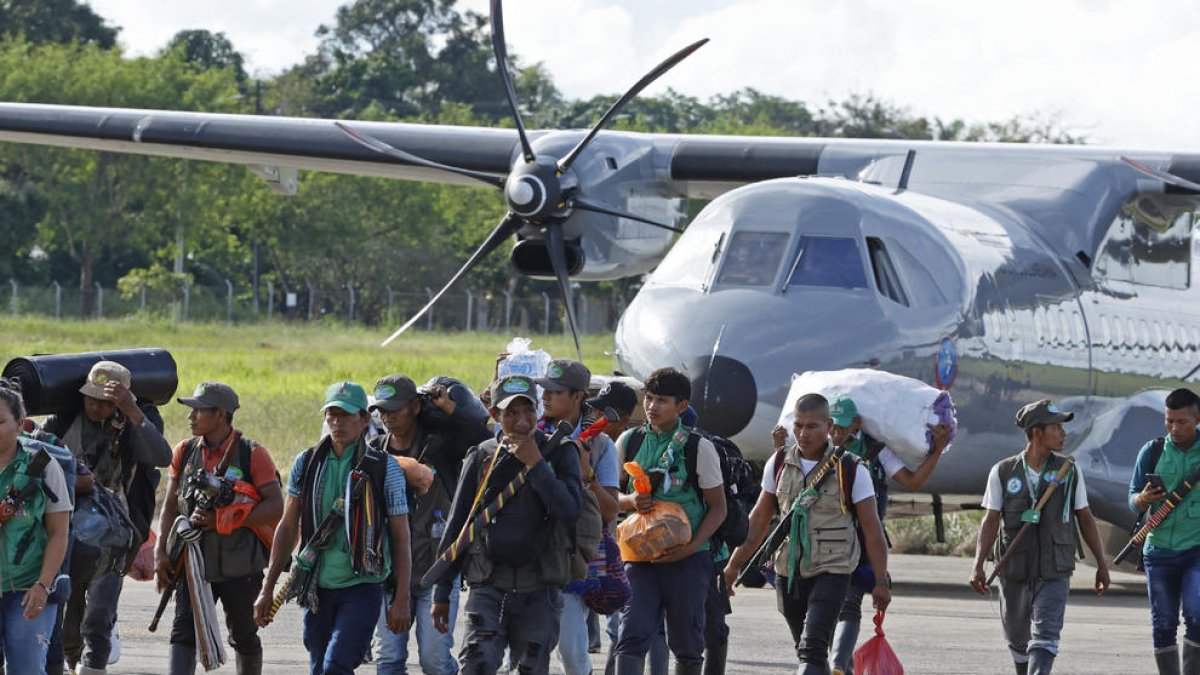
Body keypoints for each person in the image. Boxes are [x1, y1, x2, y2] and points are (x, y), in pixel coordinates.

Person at [723, 393, 890, 675]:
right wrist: (733, 566)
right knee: (808, 652)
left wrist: (881, 579)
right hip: (789, 572)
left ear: (829, 427)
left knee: (812, 648)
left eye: (812, 426)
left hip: (834, 569)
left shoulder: (851, 469)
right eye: (798, 425)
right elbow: (758, 522)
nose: (803, 433)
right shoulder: (778, 464)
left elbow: (873, 530)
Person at [253, 382, 413, 675]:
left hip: (362, 585)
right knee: (318, 666)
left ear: (365, 420)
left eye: (345, 415)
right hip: (317, 587)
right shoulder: (308, 461)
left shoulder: (384, 468)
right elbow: (288, 527)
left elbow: (401, 537)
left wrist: (402, 597)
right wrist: (267, 589)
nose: (337, 423)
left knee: (335, 665)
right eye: (331, 415)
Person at [431, 374, 583, 675]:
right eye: (511, 413)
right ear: (494, 415)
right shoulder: (481, 456)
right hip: (488, 583)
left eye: (528, 410)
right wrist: (441, 592)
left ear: (538, 410)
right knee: (477, 663)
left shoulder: (561, 451)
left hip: (540, 587)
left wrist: (537, 465)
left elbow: (570, 510)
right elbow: (459, 523)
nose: (522, 420)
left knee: (530, 667)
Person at [44, 360, 171, 675]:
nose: (96, 407)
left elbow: (161, 456)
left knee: (99, 614)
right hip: (67, 530)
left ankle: (94, 665)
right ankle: (74, 660)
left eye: (105, 402)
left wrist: (132, 411)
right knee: (69, 616)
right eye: (91, 399)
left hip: (116, 534)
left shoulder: (135, 422)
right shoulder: (64, 419)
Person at [969, 399, 1110, 675]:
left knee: (1046, 635)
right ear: (1037, 433)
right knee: (1018, 640)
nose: (1063, 433)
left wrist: (1102, 565)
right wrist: (977, 564)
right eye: (1056, 427)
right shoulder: (1003, 471)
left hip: (1054, 569)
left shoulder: (1069, 471)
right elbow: (991, 519)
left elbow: (1085, 517)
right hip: (1014, 569)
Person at [155, 382, 283, 675]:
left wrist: (225, 519)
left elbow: (276, 507)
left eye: (198, 410)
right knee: (183, 631)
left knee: (243, 635)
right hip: (193, 562)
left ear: (221, 415)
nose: (191, 416)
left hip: (240, 565)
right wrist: (161, 551)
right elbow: (171, 505)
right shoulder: (184, 451)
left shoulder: (253, 454)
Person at [367, 374, 490, 675]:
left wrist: (450, 408)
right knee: (388, 661)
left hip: (435, 572)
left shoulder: (441, 445)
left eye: (394, 410)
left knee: (434, 660)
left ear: (415, 407)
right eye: (382, 411)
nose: (387, 418)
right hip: (388, 574)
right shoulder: (374, 448)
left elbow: (481, 439)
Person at [823, 395, 950, 675]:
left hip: (864, 540)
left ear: (857, 423)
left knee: (850, 602)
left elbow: (913, 481)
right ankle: (840, 663)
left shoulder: (878, 452)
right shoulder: (820, 449)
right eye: (832, 425)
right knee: (824, 605)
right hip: (824, 539)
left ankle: (836, 664)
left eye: (843, 426)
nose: (837, 431)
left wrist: (937, 451)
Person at [614, 367, 726, 675]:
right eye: (648, 399)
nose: (652, 407)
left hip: (688, 560)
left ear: (682, 406)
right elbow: (608, 499)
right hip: (639, 558)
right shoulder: (629, 441)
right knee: (631, 635)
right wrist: (630, 501)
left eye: (662, 400)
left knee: (688, 644)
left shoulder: (697, 447)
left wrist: (689, 550)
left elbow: (718, 509)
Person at [534, 360, 620, 675]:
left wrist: (587, 475)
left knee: (572, 652)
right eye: (544, 389)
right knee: (530, 650)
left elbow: (611, 510)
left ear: (578, 396)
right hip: (529, 555)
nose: (546, 397)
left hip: (573, 560)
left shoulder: (600, 444)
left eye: (555, 391)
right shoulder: (530, 435)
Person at [0, 379, 71, 674]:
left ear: (21, 424)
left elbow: (59, 533)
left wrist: (42, 586)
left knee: (26, 669)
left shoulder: (43, 466)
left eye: (0, 421)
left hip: (28, 590)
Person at [1128, 388, 1200, 675]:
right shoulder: (1152, 451)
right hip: (1157, 552)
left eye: (1181, 422)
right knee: (1164, 624)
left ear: (1197, 419)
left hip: (1196, 549)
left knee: (1196, 615)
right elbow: (1132, 499)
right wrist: (1143, 500)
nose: (1174, 428)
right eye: (1169, 421)